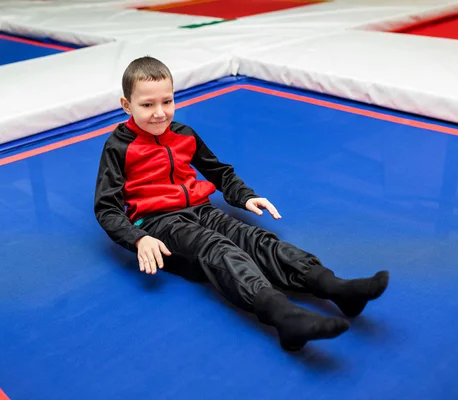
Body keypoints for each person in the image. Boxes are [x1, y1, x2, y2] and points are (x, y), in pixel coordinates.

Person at [94, 56, 389, 351]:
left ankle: (334, 287)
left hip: (202, 210)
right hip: (159, 222)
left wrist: (245, 196)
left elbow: (219, 172)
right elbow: (107, 208)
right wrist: (139, 238)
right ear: (127, 105)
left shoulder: (184, 134)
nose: (160, 113)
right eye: (147, 105)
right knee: (218, 249)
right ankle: (283, 316)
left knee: (255, 238)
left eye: (167, 102)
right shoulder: (118, 147)